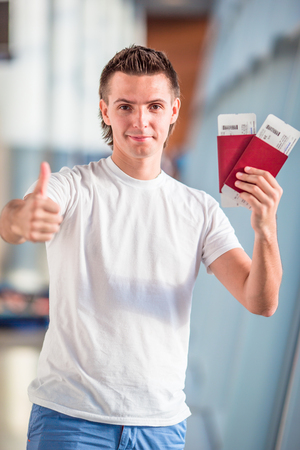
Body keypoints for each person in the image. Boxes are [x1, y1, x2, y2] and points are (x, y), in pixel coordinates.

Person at [0, 45, 283, 450]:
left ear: (174, 111)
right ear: (105, 111)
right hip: (69, 420)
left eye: (153, 106)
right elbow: (13, 219)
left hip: (160, 428)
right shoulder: (72, 187)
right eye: (125, 106)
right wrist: (22, 218)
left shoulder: (199, 210)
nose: (140, 121)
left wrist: (266, 229)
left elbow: (262, 301)